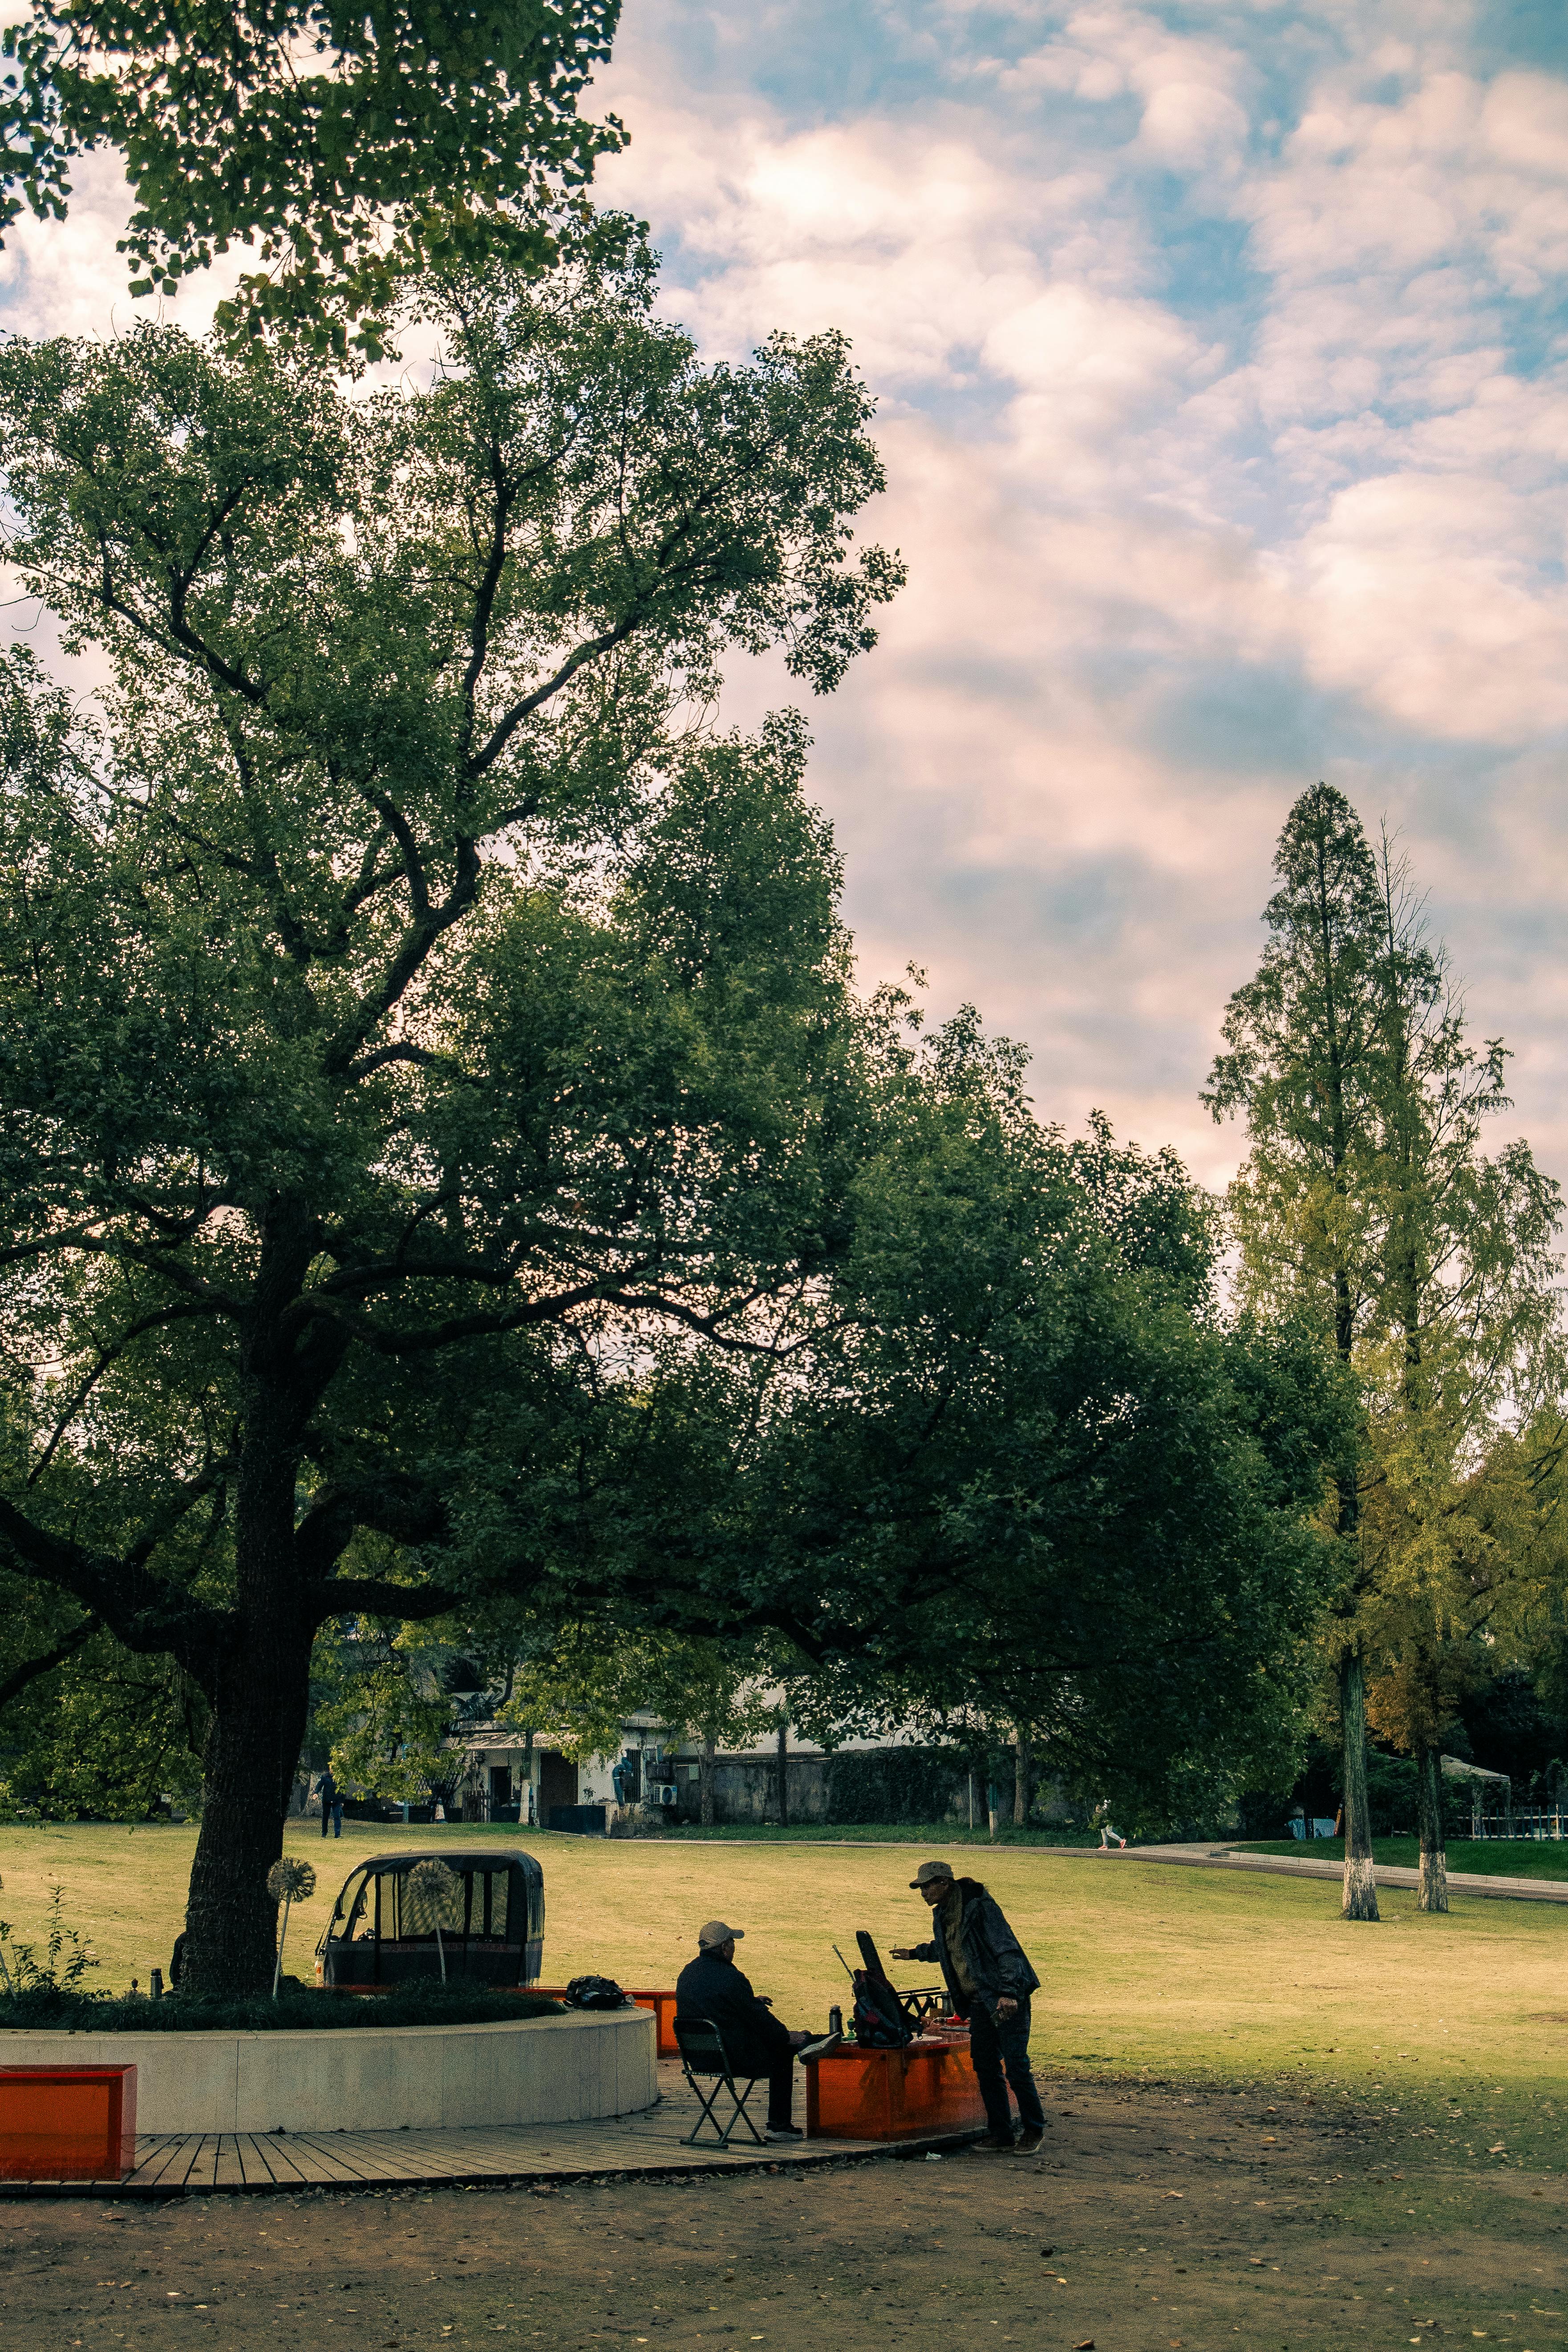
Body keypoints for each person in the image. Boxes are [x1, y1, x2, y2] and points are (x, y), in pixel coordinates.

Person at [891, 1859, 1045, 2154]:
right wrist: (914, 1953)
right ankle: (1001, 2133)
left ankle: (1034, 2129)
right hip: (979, 2002)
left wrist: (1010, 1993)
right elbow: (948, 1947)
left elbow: (1006, 1949)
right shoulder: (943, 1914)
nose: (923, 1892)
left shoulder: (979, 1907)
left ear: (943, 1883)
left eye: (926, 1886)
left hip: (1005, 1999)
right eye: (920, 1887)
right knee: (986, 2066)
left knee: (1016, 2067)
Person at [675, 1918, 818, 2140]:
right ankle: (779, 2126)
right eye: (732, 1943)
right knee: (783, 2051)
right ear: (724, 1947)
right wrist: (785, 2036)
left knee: (782, 2042)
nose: (734, 1948)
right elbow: (758, 2020)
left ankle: (810, 2043)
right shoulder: (731, 1977)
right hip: (733, 2057)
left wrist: (752, 2002)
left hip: (700, 2057)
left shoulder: (688, 1974)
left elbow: (716, 2007)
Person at [316, 1764, 342, 1839]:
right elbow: (320, 1786)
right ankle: (324, 1833)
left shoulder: (340, 1778)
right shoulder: (325, 1777)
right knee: (325, 1817)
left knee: (337, 1816)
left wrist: (342, 1801)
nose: (333, 1770)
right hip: (326, 1800)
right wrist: (316, 1793)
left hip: (336, 1800)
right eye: (332, 1768)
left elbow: (343, 1790)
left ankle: (337, 1834)